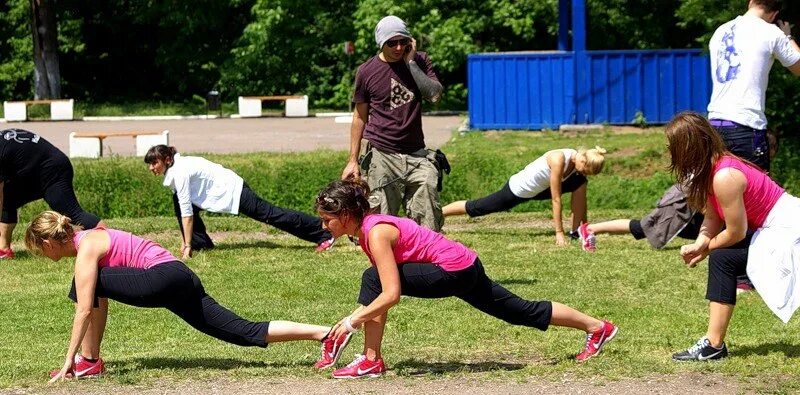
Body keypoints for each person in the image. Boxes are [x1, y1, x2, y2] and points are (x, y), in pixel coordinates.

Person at [314, 178, 618, 378]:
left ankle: (371, 360)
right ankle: (598, 327)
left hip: (454, 271)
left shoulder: (375, 233)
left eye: (327, 219)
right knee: (519, 310)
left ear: (344, 216)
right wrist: (357, 316)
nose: (323, 225)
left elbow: (390, 294)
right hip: (466, 265)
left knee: (374, 280)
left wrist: (352, 320)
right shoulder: (369, 228)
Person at [25, 211, 353, 381]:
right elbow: (96, 301)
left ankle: (87, 362)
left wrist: (67, 359)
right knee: (242, 331)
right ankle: (326, 333)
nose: (42, 255)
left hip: (164, 278)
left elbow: (84, 310)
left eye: (39, 250)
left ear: (50, 243)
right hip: (179, 277)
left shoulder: (87, 250)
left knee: (85, 287)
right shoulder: (93, 238)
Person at [664, 112, 800, 361]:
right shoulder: (711, 169)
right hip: (775, 229)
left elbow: (736, 231)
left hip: (789, 229)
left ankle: (713, 345)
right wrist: (700, 243)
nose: (669, 151)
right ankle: (713, 344)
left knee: (722, 258)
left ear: (688, 147)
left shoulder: (724, 176)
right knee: (723, 258)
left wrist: (706, 250)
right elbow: (713, 217)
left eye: (672, 146)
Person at [341, 15, 445, 232]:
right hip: (382, 153)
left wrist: (411, 63)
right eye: (392, 42)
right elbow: (359, 117)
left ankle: (426, 263)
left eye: (403, 42)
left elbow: (434, 95)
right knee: (381, 221)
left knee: (428, 216)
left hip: (417, 153)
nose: (398, 47)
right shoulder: (367, 71)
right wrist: (353, 160)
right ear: (381, 43)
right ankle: (385, 263)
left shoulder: (420, 61)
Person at [144, 145, 334, 259]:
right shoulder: (178, 168)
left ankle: (323, 233)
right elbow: (185, 207)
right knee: (178, 201)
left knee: (271, 215)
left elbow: (187, 214)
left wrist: (185, 247)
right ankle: (201, 243)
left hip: (234, 190)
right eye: (150, 164)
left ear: (167, 160)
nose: (151, 168)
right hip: (228, 188)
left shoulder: (180, 172)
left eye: (154, 163)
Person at [442, 147, 607, 250]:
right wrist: (558, 233)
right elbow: (556, 199)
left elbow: (578, 193)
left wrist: (585, 223)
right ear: (583, 160)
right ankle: (439, 212)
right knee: (477, 208)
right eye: (585, 171)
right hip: (519, 190)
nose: (583, 173)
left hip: (540, 189)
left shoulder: (577, 163)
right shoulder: (559, 159)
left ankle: (578, 231)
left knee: (580, 183)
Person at [707, 0, 800, 171]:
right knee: (755, 196)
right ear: (774, 14)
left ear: (750, 2)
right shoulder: (771, 32)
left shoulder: (721, 31)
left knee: (720, 194)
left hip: (714, 126)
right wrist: (788, 36)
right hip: (746, 127)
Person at [0, 128, 103, 259]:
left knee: (72, 212)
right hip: (32, 172)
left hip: (53, 171)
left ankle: (110, 239)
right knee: (8, 198)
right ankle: (4, 250)